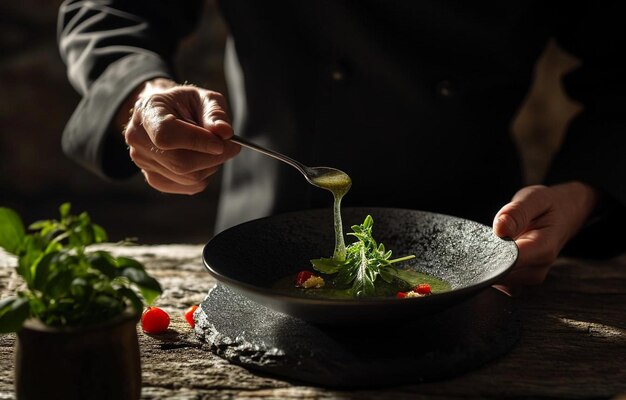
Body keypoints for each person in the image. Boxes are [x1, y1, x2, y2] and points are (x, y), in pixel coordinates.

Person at [57, 1, 626, 291]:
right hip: (264, 238)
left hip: (479, 247)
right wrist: (143, 91)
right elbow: (110, 6)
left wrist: (582, 194)